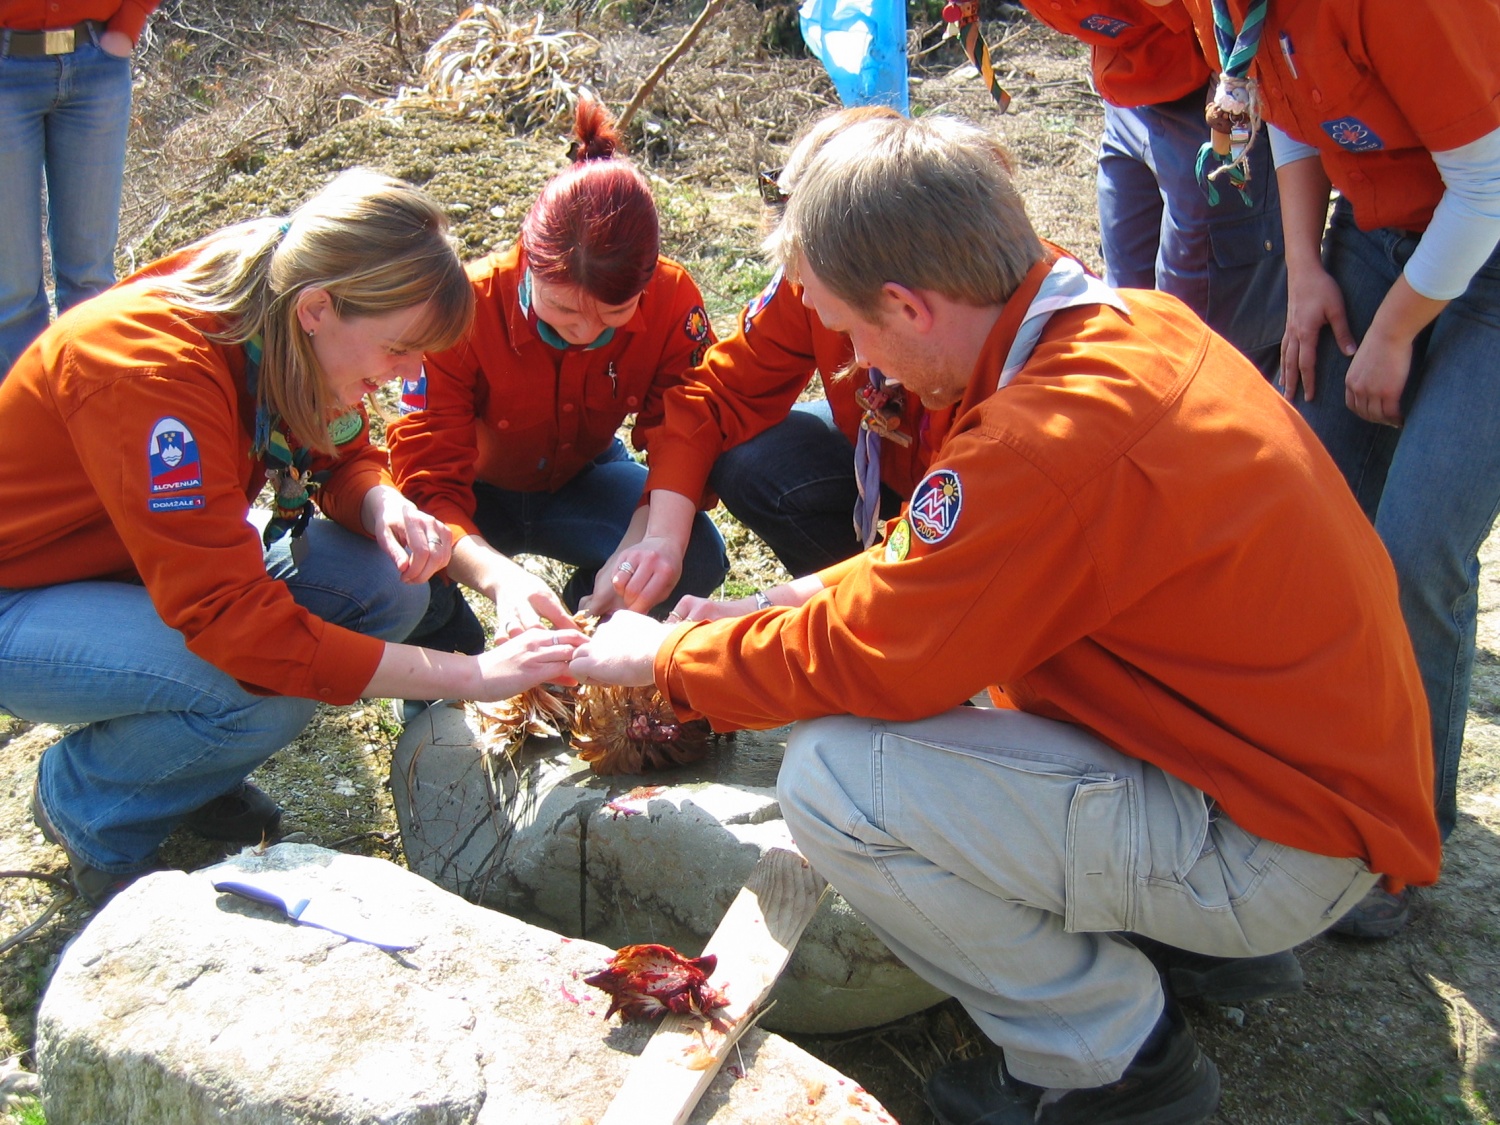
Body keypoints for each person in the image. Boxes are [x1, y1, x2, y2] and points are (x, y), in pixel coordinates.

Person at [569, 113, 1440, 1125]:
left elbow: (879, 658)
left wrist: (669, 656)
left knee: (839, 781)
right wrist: (787, 599)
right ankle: (1178, 947)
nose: (858, 365)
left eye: (854, 334)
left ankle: (1107, 1060)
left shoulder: (1039, 447)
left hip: (1276, 843)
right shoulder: (1130, 328)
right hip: (1298, 787)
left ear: (908, 304)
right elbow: (942, 573)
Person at [0, 168, 586, 906]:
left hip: (138, 572)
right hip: (22, 598)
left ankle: (178, 770)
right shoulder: (150, 373)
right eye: (400, 349)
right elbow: (237, 627)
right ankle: (87, 803)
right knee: (261, 686)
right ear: (317, 310)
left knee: (381, 587)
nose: (410, 374)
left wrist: (377, 502)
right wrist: (470, 676)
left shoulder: (285, 297)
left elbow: (333, 447)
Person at [1173, 0, 1500, 938]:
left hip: (1488, 243)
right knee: (1300, 501)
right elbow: (1279, 106)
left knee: (1414, 547)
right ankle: (1316, 786)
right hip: (1378, 231)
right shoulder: (1225, 4)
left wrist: (1393, 331)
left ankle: (1406, 837)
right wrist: (1308, 267)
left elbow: (1486, 185)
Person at [386, 97, 728, 647]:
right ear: (529, 259)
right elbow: (428, 483)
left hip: (581, 477)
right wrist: (502, 581)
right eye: (565, 310)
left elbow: (689, 431)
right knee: (401, 563)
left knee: (694, 555)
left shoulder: (670, 299)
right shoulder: (462, 309)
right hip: (476, 493)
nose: (586, 333)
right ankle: (454, 671)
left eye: (615, 315)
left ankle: (581, 633)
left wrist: (641, 547)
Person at [639, 105, 943, 583]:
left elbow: (964, 526)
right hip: (893, 470)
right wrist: (662, 540)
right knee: (753, 465)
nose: (859, 357)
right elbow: (719, 394)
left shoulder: (968, 328)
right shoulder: (808, 282)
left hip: (963, 506)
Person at [1018, 0, 1285, 378]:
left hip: (1215, 100)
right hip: (1128, 87)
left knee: (1205, 351)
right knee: (1129, 318)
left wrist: (1233, 77)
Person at [1, 0, 161, 378]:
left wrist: (130, 21)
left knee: (91, 281)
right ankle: (27, 427)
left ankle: (89, 415)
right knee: (12, 294)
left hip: (95, 69)